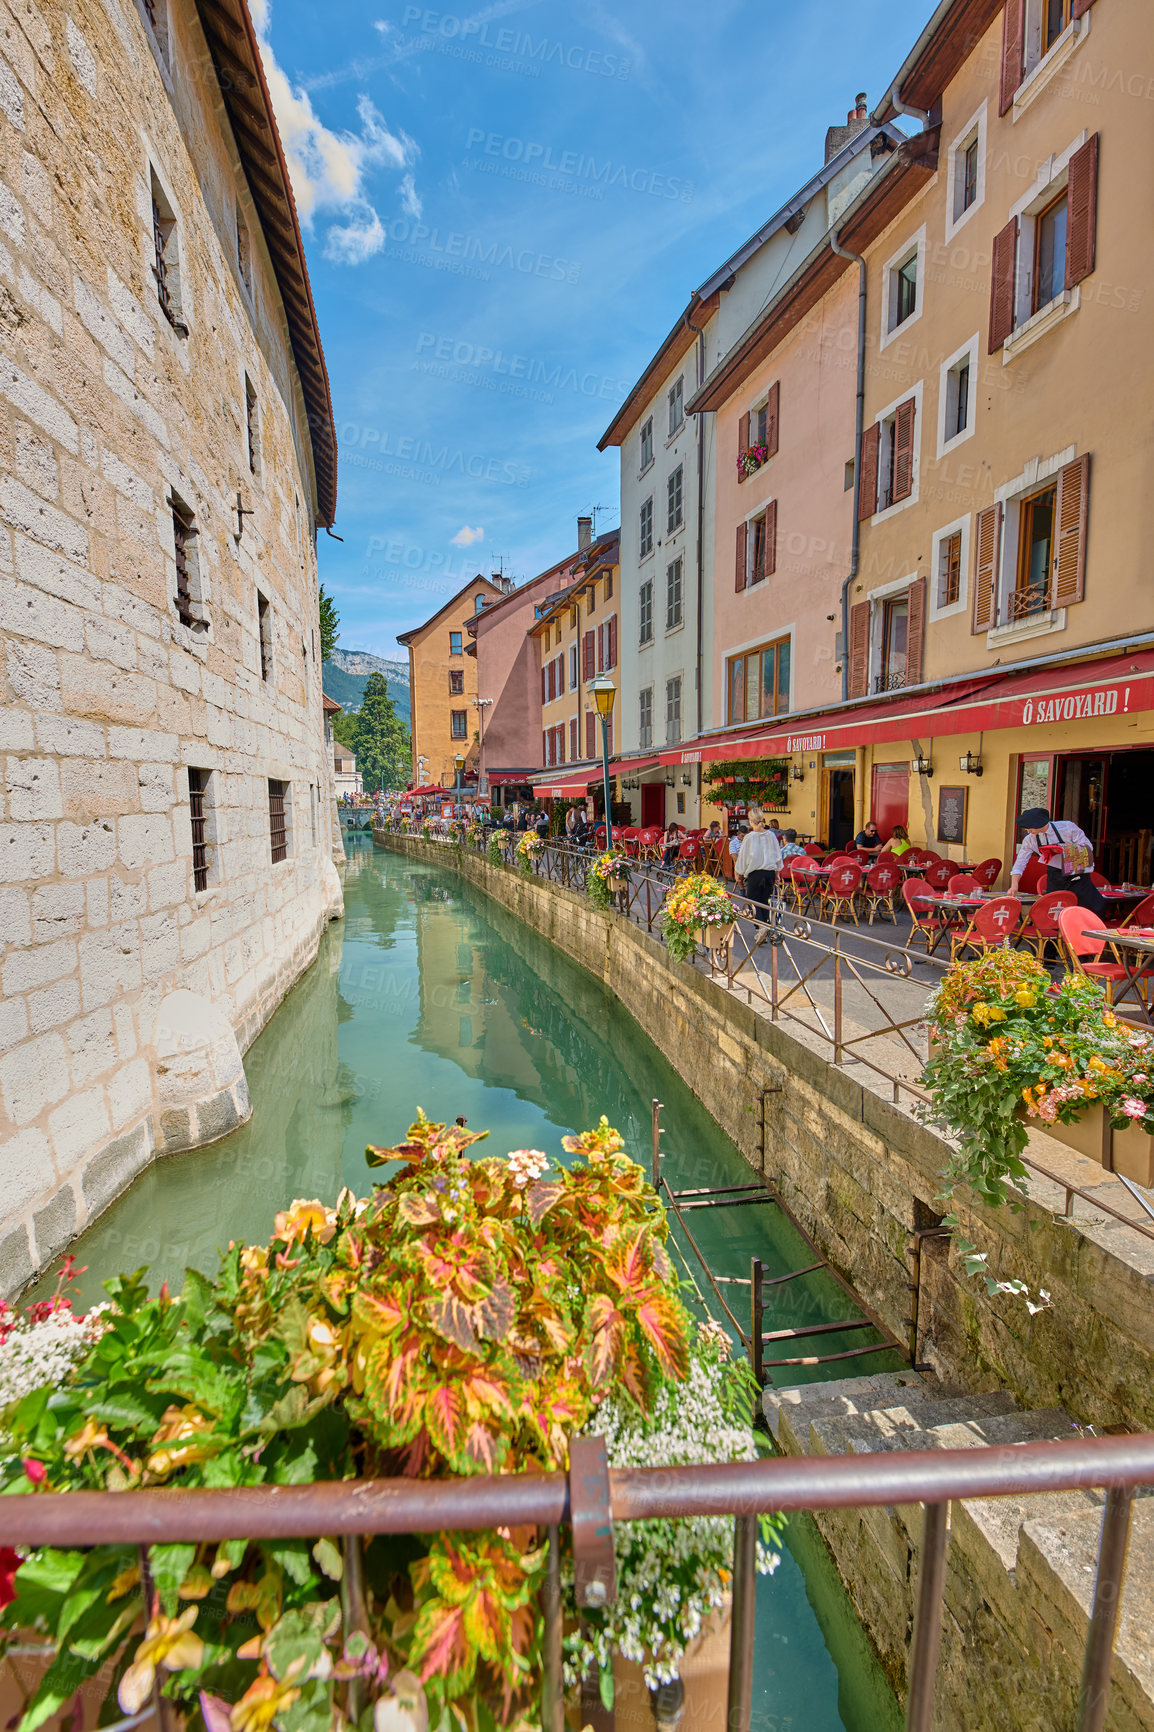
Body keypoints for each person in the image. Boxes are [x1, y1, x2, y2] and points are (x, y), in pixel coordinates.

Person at [1010, 806, 1106, 914]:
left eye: (1029, 828)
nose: (1028, 831)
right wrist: (1014, 885)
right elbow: (1020, 863)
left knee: (1091, 907)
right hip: (1055, 874)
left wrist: (1064, 849)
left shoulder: (1067, 827)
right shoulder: (1030, 840)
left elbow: (1088, 846)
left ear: (1038, 823)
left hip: (1077, 871)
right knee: (1055, 909)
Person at [735, 810, 783, 915]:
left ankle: (762, 928)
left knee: (753, 904)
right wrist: (777, 873)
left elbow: (743, 857)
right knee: (764, 903)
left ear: (750, 821)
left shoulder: (749, 837)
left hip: (755, 874)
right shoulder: (771, 835)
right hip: (769, 873)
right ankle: (765, 928)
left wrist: (739, 873)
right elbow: (778, 856)